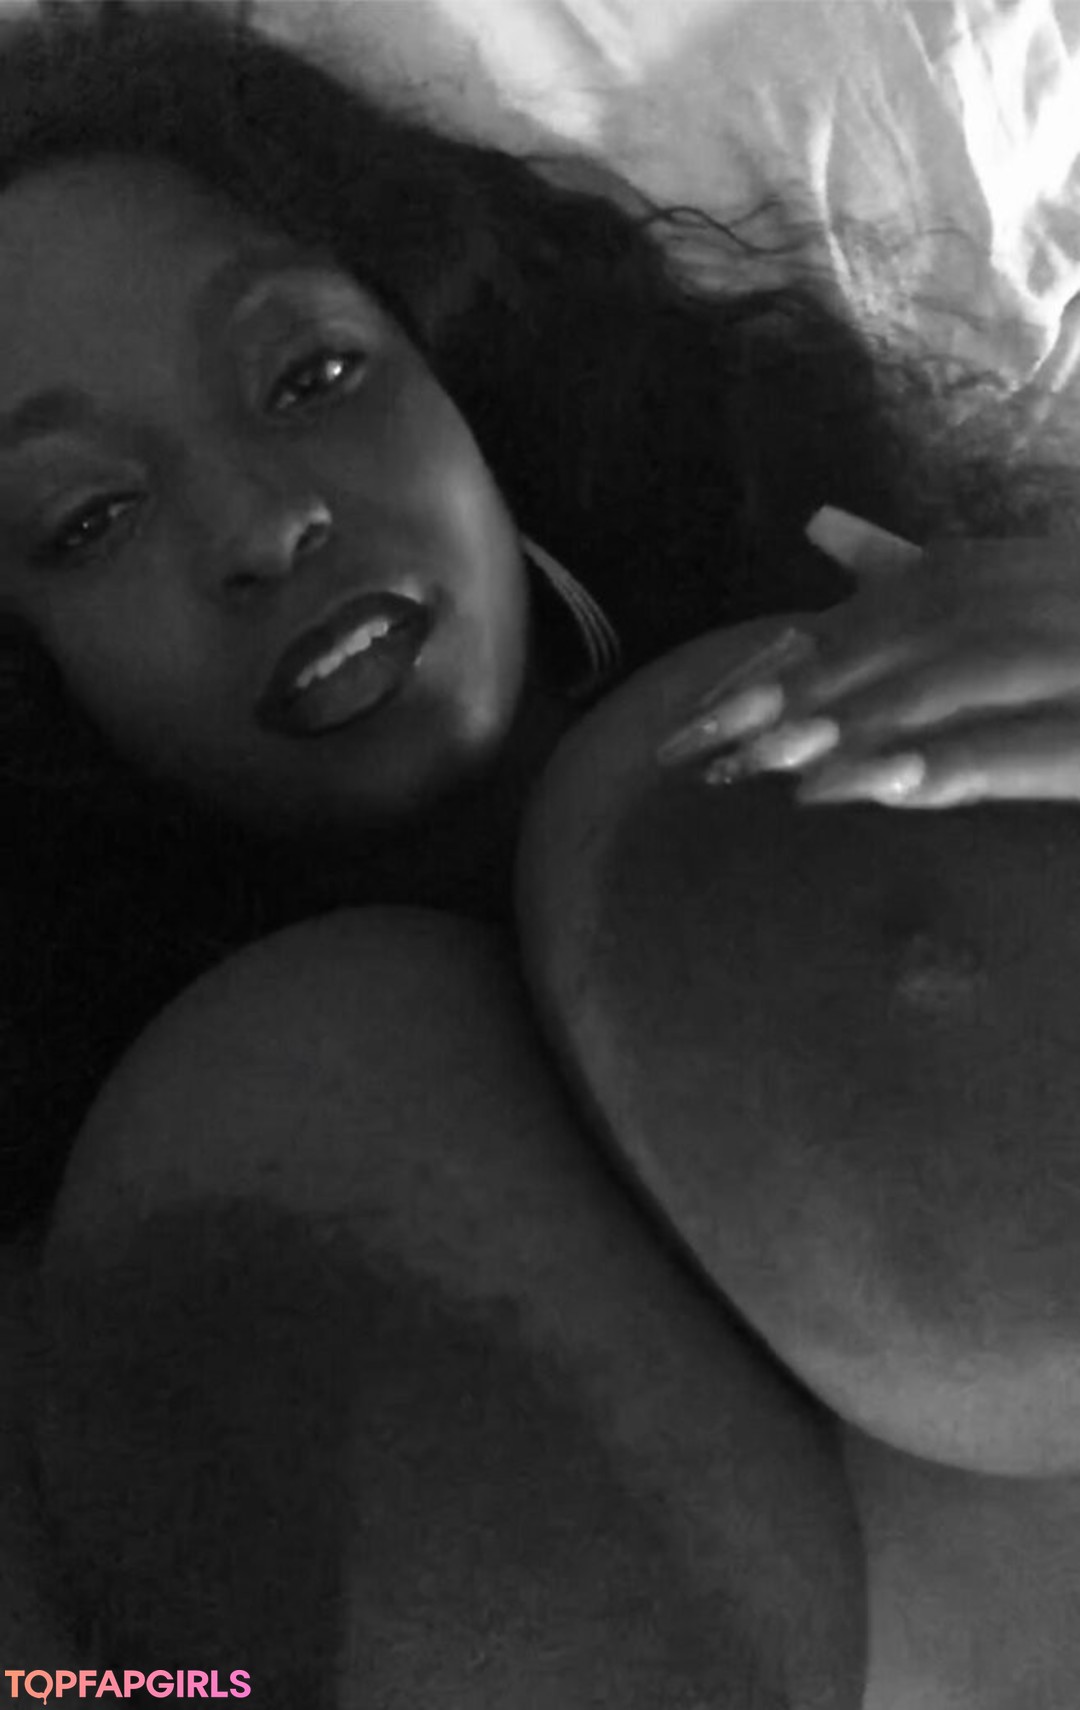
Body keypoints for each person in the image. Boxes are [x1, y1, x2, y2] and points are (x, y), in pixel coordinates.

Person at [4, 1, 1080, 1702]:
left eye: (310, 373)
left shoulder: (937, 639)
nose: (262, 522)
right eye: (88, 517)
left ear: (463, 368)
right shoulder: (93, 1242)